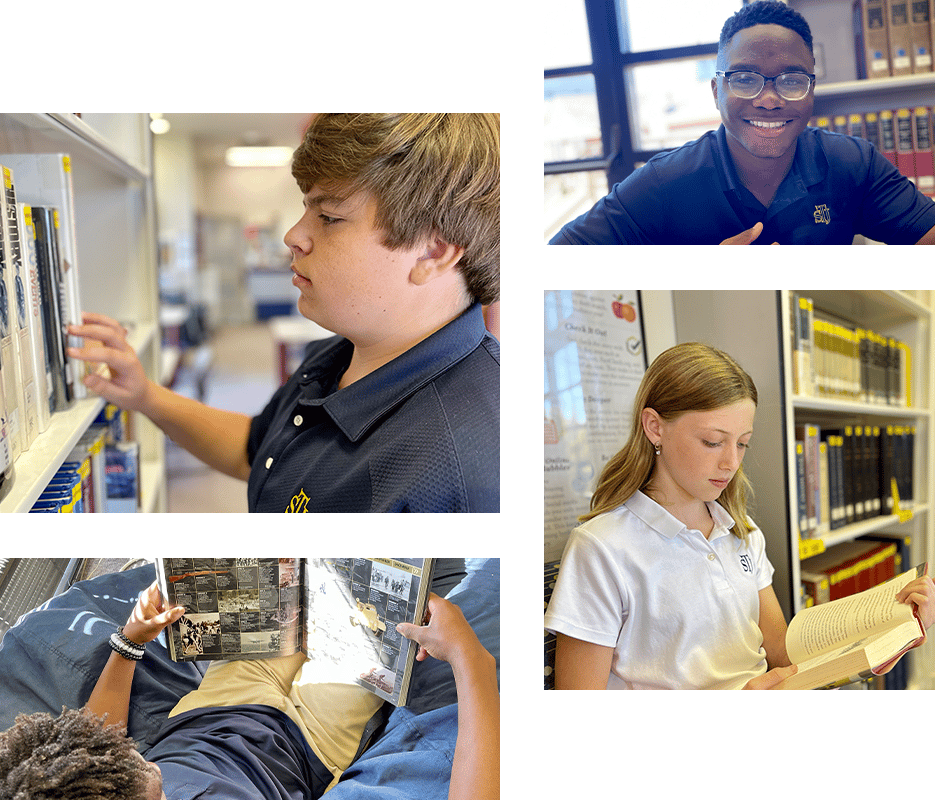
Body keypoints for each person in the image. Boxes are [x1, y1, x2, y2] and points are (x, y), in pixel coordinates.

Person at [68, 113, 500, 512]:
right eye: (306, 208)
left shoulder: (463, 469)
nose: (293, 235)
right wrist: (146, 395)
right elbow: (255, 451)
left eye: (329, 217)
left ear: (432, 252)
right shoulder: (337, 355)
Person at [543, 342, 935, 689]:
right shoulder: (601, 548)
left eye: (742, 444)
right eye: (713, 441)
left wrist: (887, 633)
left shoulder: (742, 532)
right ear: (654, 427)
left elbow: (782, 652)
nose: (730, 462)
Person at [0, 581, 499, 800]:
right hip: (310, 740)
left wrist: (129, 642)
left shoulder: (95, 778)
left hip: (216, 705)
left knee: (297, 587)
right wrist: (471, 662)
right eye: (151, 783)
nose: (149, 764)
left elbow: (95, 737)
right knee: (374, 614)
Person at [548, 1, 935, 245]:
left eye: (792, 80)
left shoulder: (854, 164)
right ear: (716, 91)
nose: (769, 99)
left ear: (812, 91)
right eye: (745, 79)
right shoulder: (662, 183)